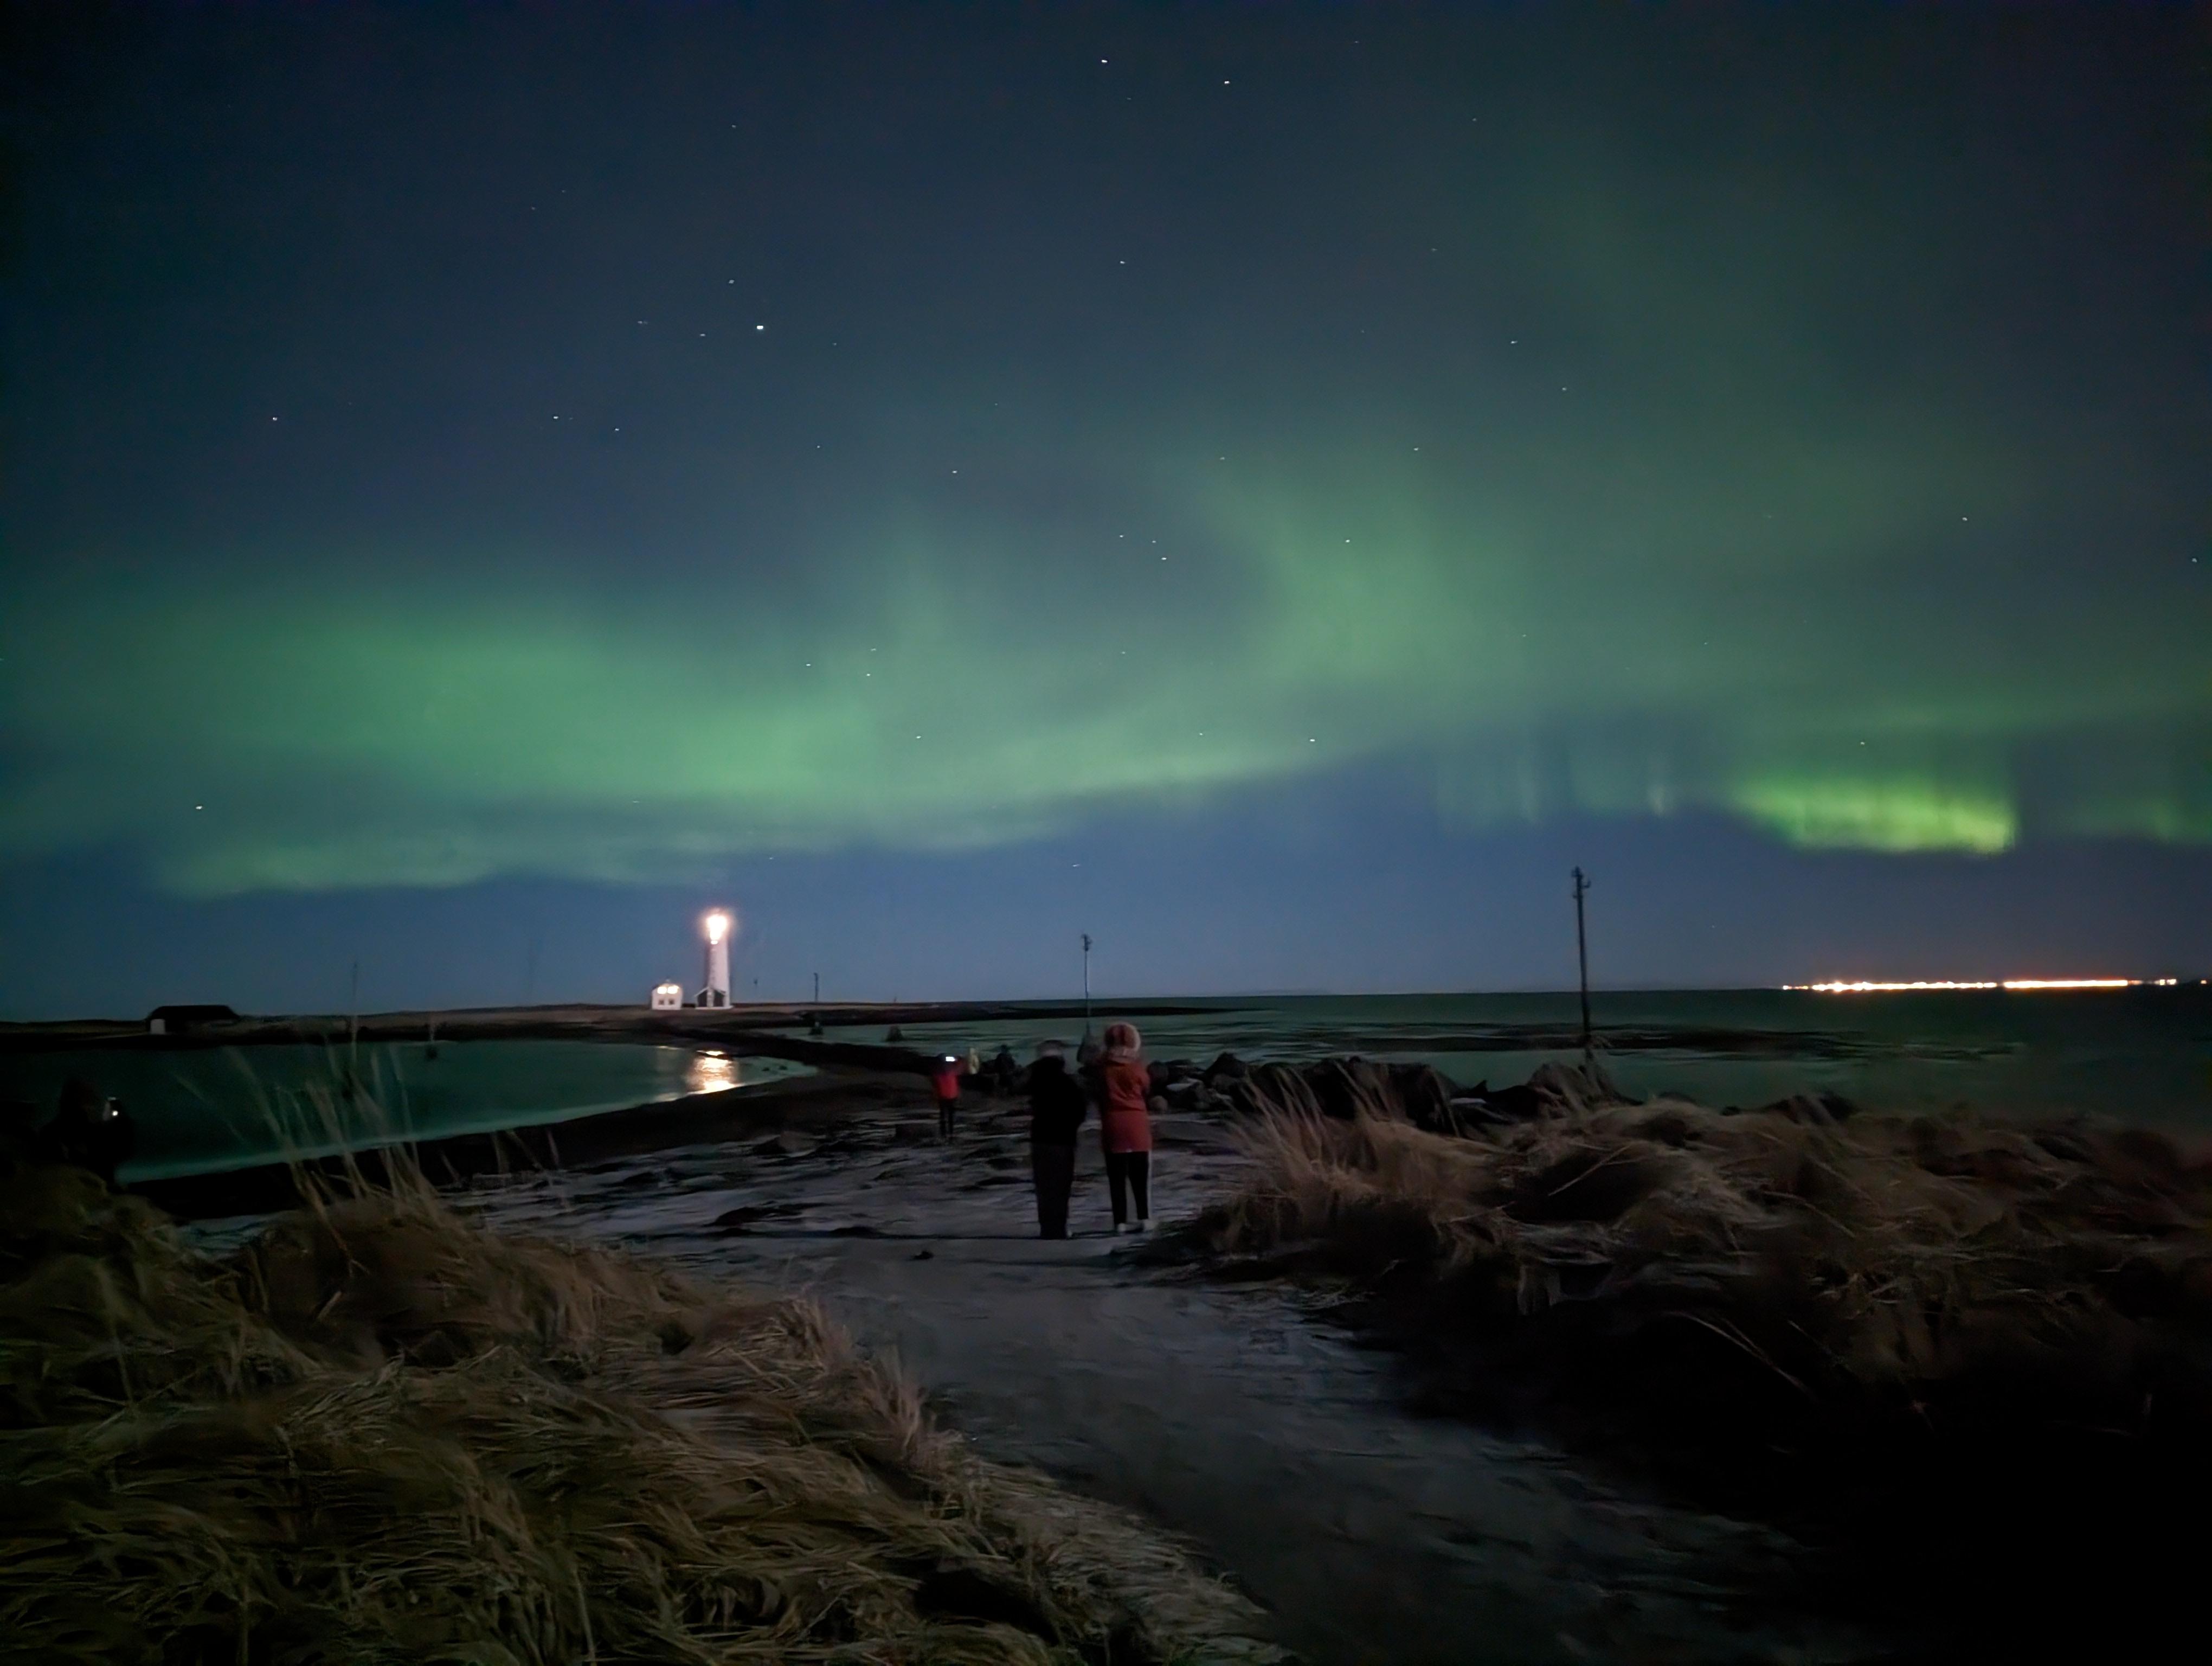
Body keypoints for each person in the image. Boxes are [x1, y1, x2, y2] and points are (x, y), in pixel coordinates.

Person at [1095, 1021, 1154, 1233]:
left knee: (1116, 1178)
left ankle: (1120, 1221)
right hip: (1137, 1125)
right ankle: (1144, 1217)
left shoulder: (1102, 1070)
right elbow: (1146, 1089)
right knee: (1140, 1176)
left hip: (1112, 1125)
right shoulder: (1138, 1070)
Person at [1026, 1041, 1088, 1238]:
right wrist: (1072, 1127)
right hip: (1063, 1139)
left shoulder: (1036, 1081)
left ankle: (1046, 1227)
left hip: (1040, 1138)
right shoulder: (1068, 1083)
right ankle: (1060, 1226)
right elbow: (1080, 1109)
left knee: (1044, 1186)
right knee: (1061, 1186)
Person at [931, 1053, 962, 1138]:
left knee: (943, 1115)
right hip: (952, 1095)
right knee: (951, 1116)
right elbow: (958, 1062)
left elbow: (935, 1085)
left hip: (942, 1096)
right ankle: (951, 1133)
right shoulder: (952, 1071)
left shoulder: (937, 1074)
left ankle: (944, 1133)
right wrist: (954, 1058)